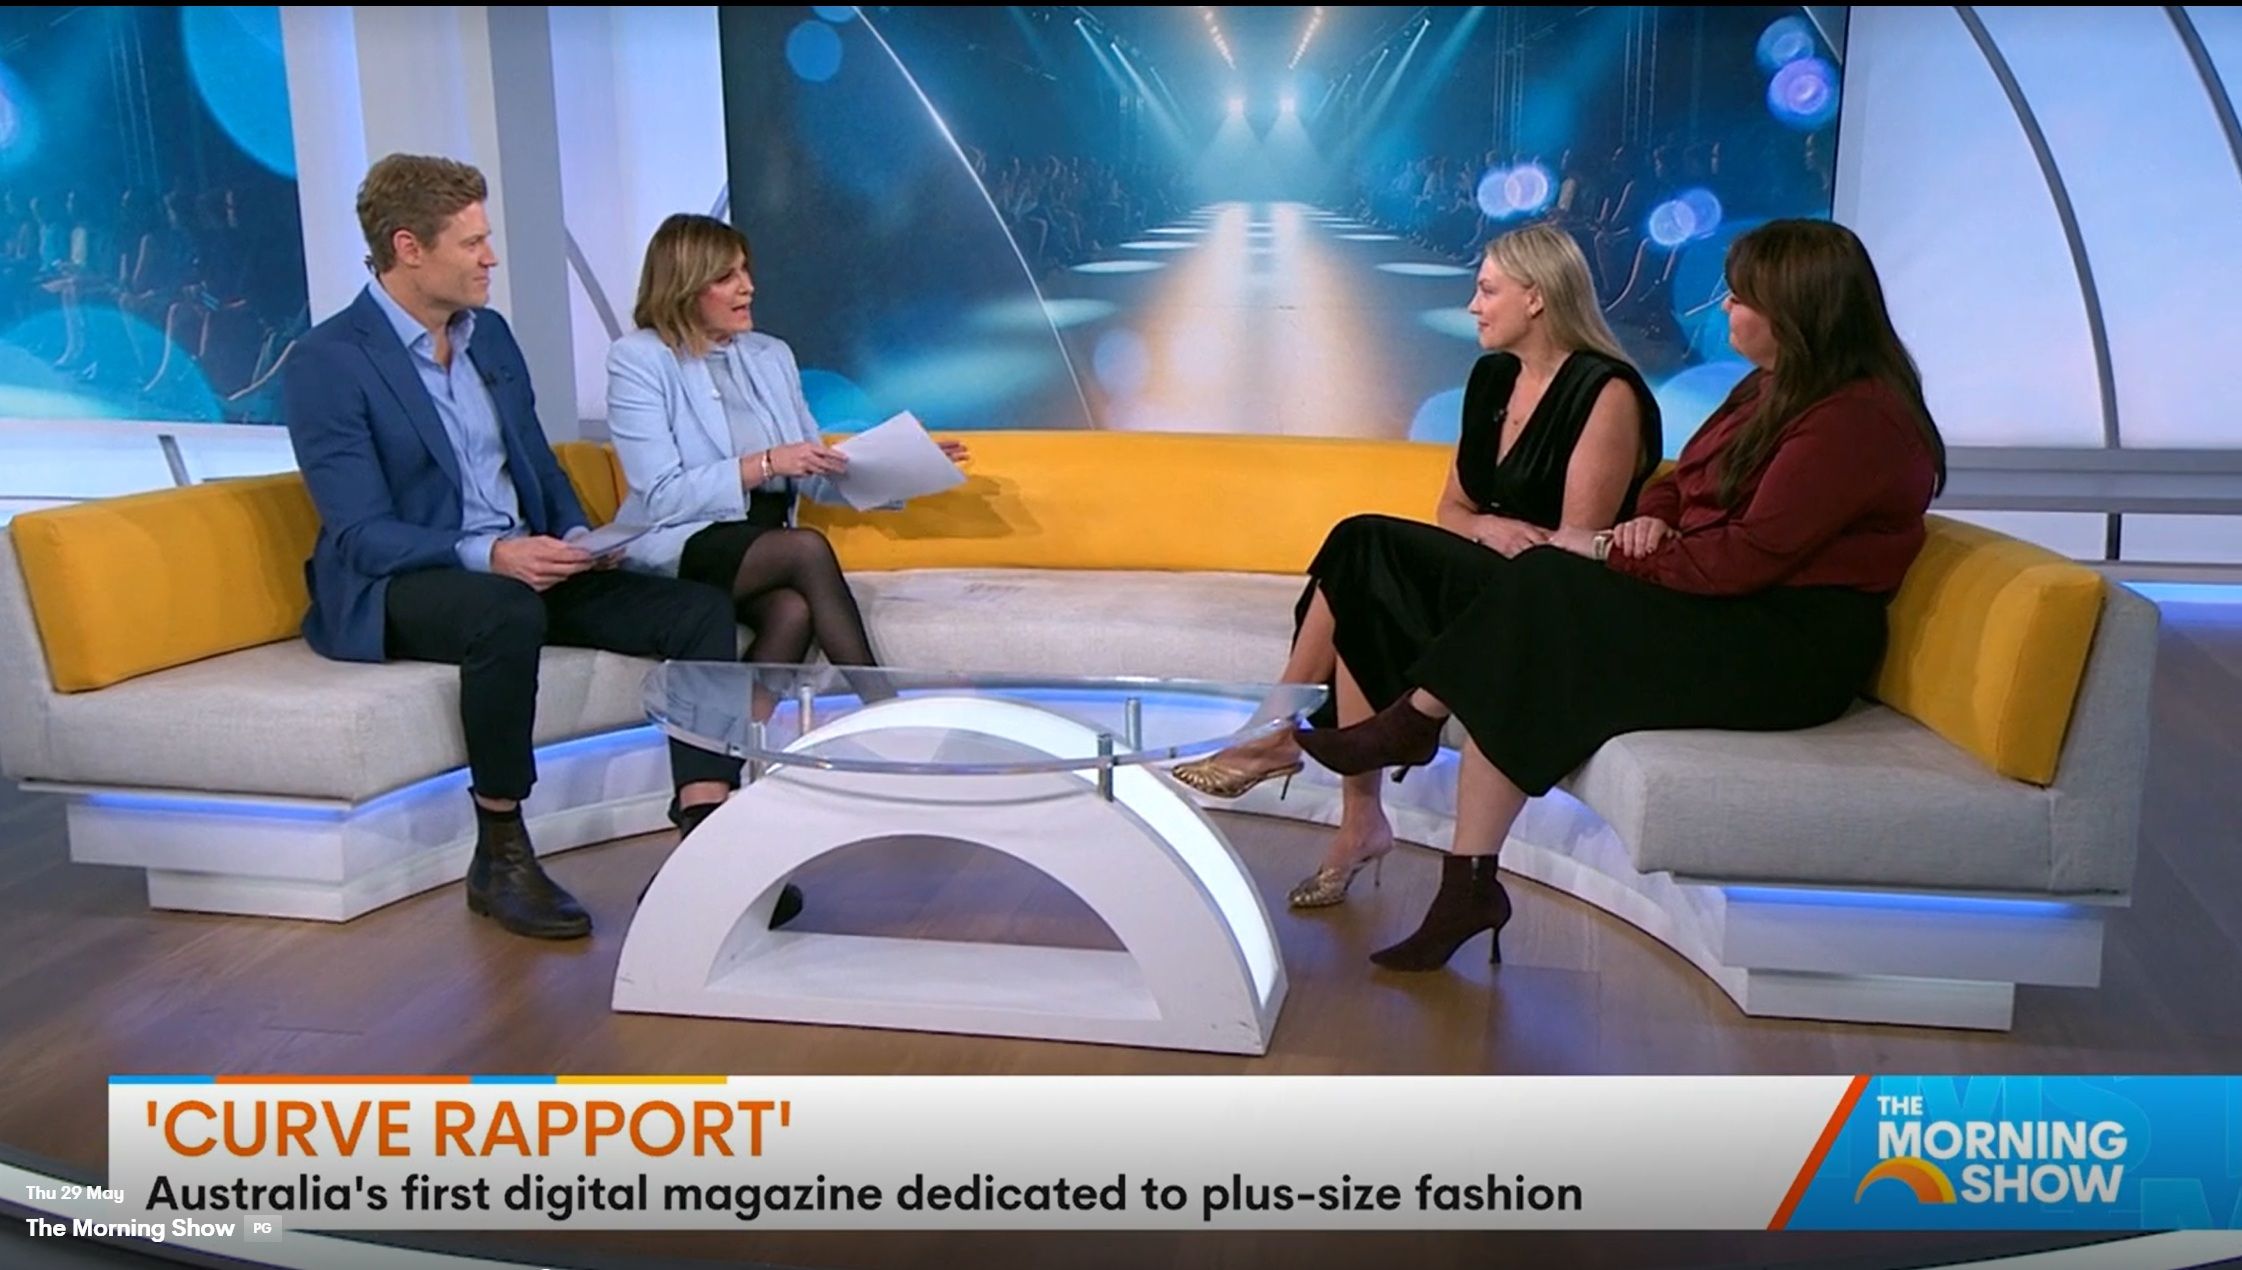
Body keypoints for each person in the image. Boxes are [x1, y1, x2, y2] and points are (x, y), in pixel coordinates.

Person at [1294, 219, 1946, 971]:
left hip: (1787, 649)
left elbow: (1744, 557)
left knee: (1547, 586)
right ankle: (1465, 878)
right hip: (1733, 604)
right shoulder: (1770, 387)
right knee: (1532, 619)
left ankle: (1416, 725)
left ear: (1797, 310)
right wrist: (1647, 522)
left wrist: (1607, 550)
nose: (1725, 308)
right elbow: (1681, 483)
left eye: (1741, 298)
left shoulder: (1856, 420)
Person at [283, 155, 794, 942]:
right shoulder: (330, 362)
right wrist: (490, 555)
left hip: (522, 562)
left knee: (697, 611)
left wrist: (583, 538)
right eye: (472, 243)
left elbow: (536, 463)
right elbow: (360, 531)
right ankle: (500, 850)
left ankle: (705, 836)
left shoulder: (488, 337)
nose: (490, 258)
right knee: (504, 612)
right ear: (409, 247)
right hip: (406, 579)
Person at [1172, 223, 1662, 909]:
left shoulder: (1605, 392)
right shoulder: (1492, 378)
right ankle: (1352, 815)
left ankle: (1279, 738)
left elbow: (1573, 551)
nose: (1473, 305)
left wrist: (1495, 538)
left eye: (1487, 290)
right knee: (1363, 583)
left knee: (1362, 545)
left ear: (1537, 297)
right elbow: (1453, 510)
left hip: (1542, 603)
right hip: (1487, 572)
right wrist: (1487, 526)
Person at [605, 213, 966, 695]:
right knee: (805, 549)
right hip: (682, 539)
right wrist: (765, 464)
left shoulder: (770, 355)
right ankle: (883, 704)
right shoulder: (640, 359)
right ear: (685, 287)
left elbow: (811, 470)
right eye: (726, 277)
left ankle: (740, 734)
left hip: (760, 541)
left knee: (792, 612)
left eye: (745, 271)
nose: (748, 287)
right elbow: (661, 496)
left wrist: (900, 464)